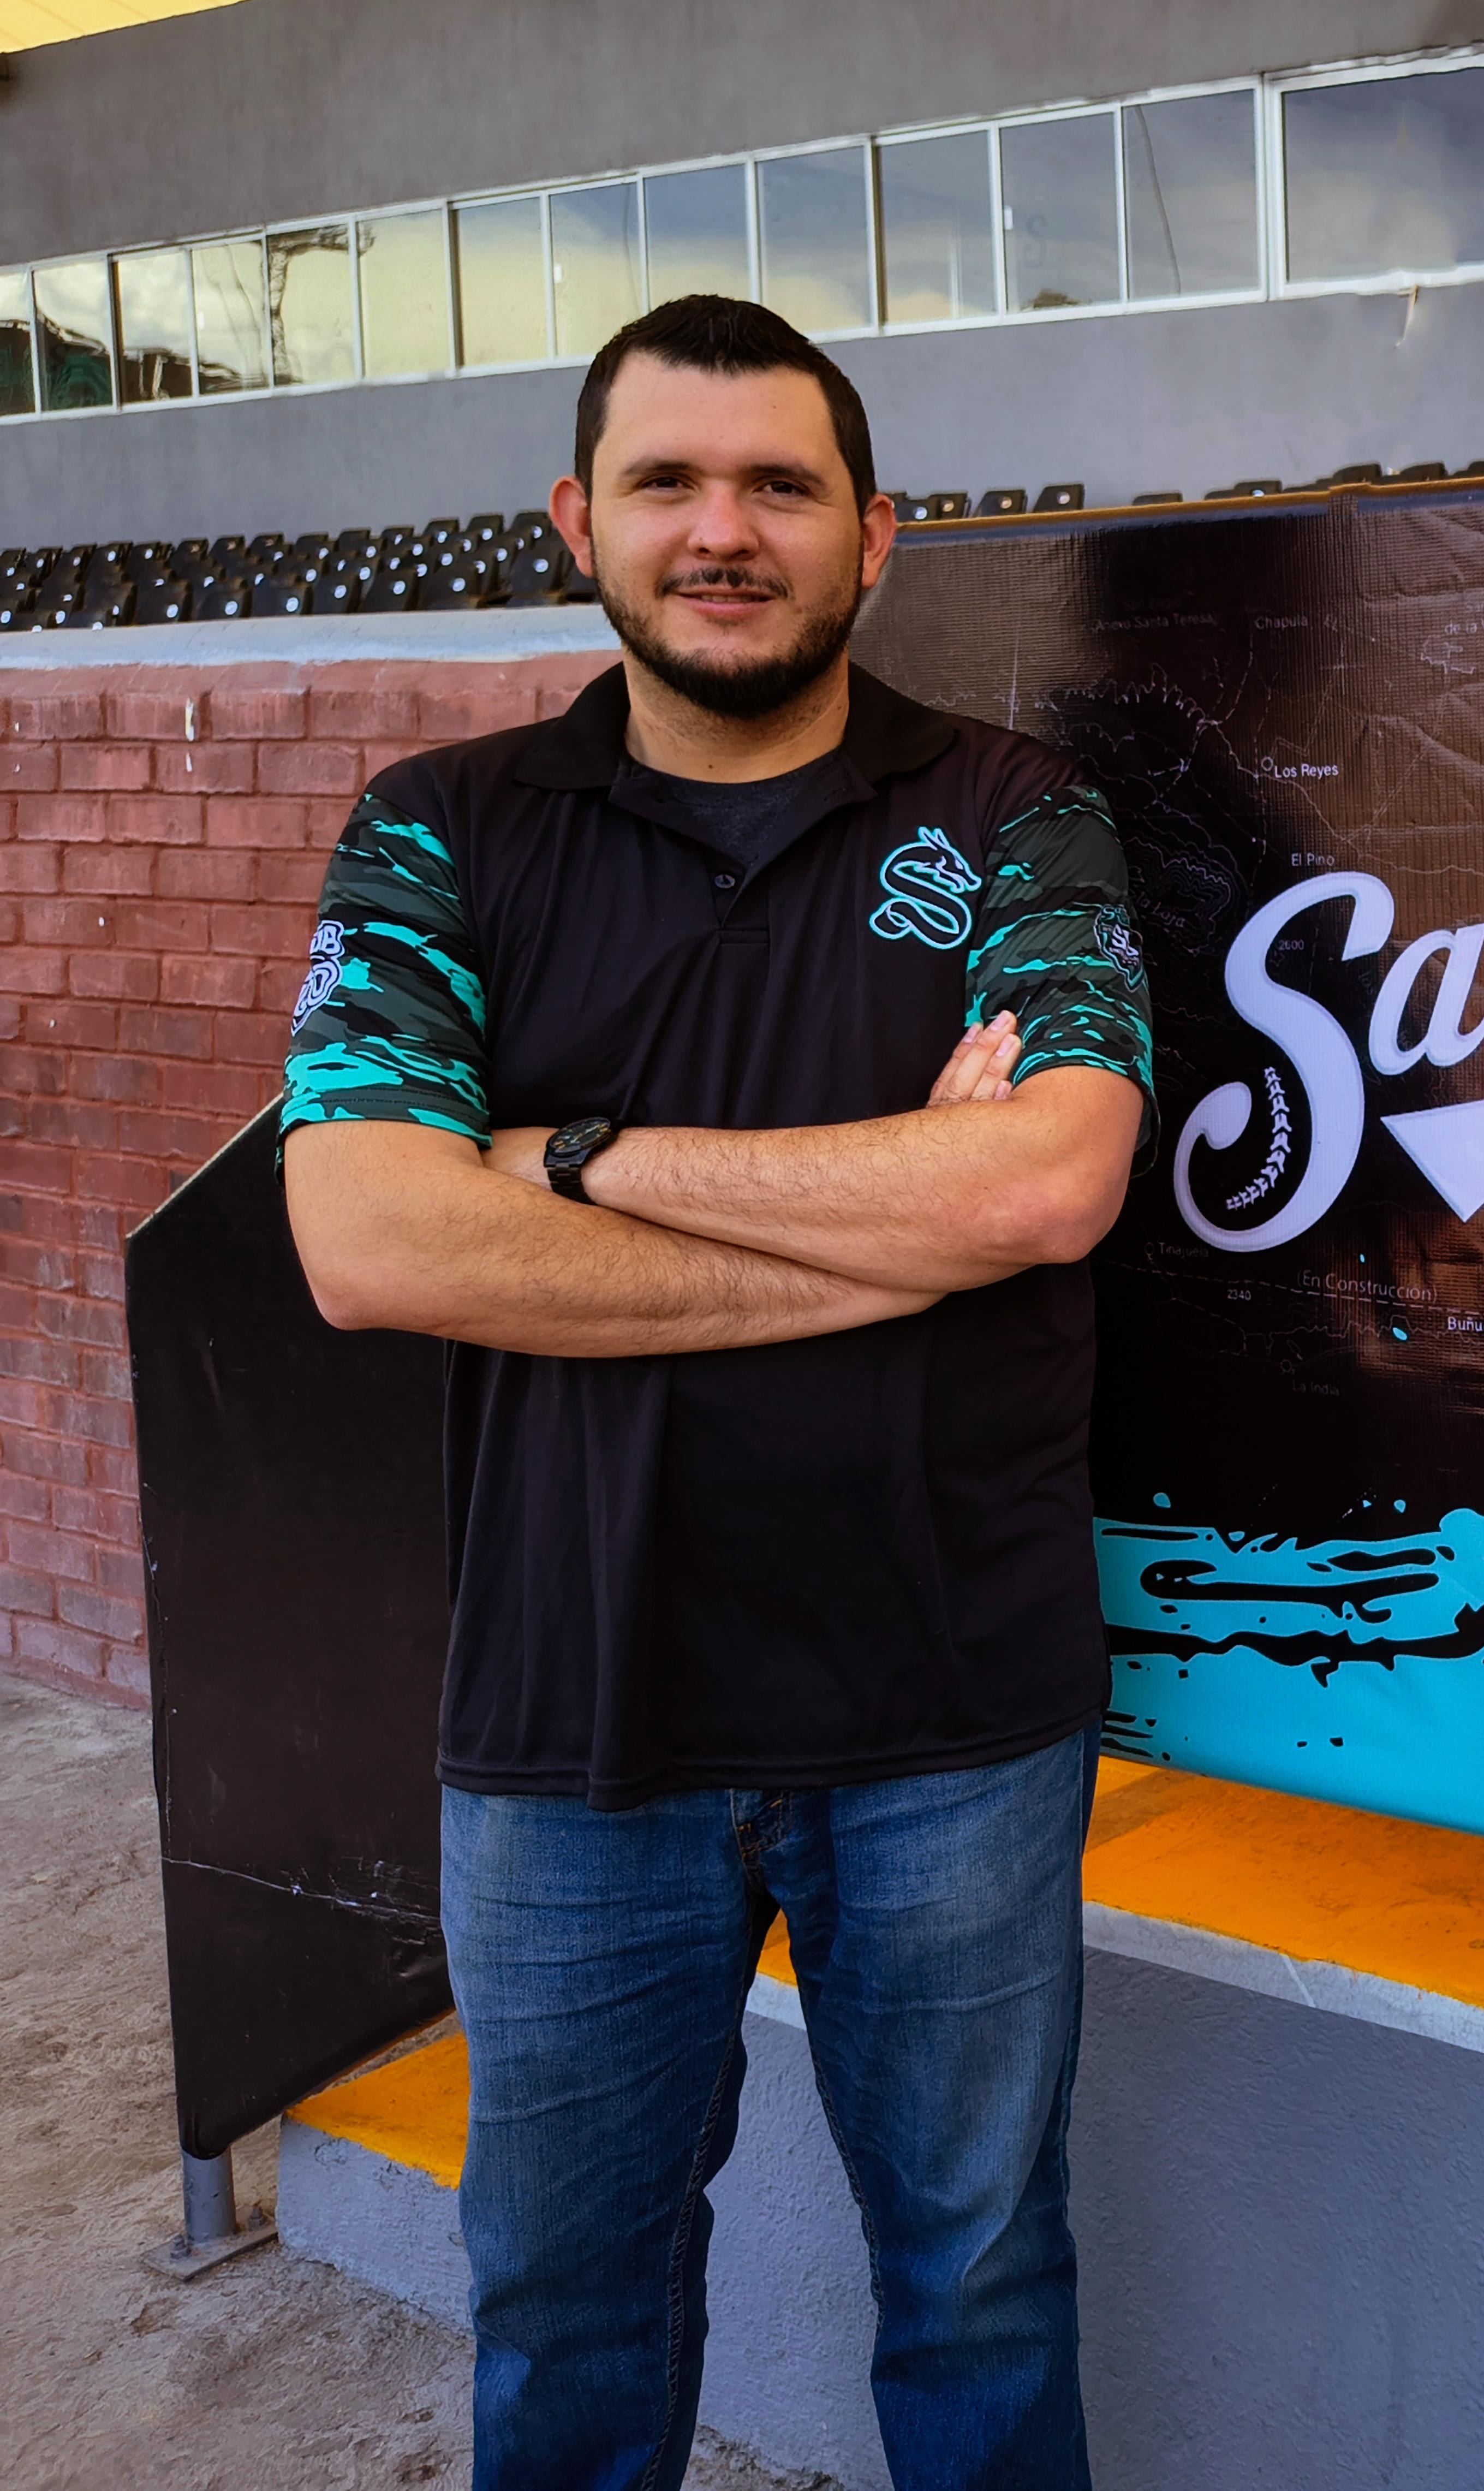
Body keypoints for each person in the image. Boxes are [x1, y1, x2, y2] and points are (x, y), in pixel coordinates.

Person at [282, 295, 1153, 2491]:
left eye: (781, 484)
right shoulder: (440, 829)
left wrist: (574, 1157)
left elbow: (1050, 1181)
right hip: (574, 1722)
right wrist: (893, 1228)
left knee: (982, 2288)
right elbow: (369, 1239)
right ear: (578, 521)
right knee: (566, 2311)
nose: (724, 530)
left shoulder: (1017, 813)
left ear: (877, 532)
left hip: (953, 1713)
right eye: (667, 481)